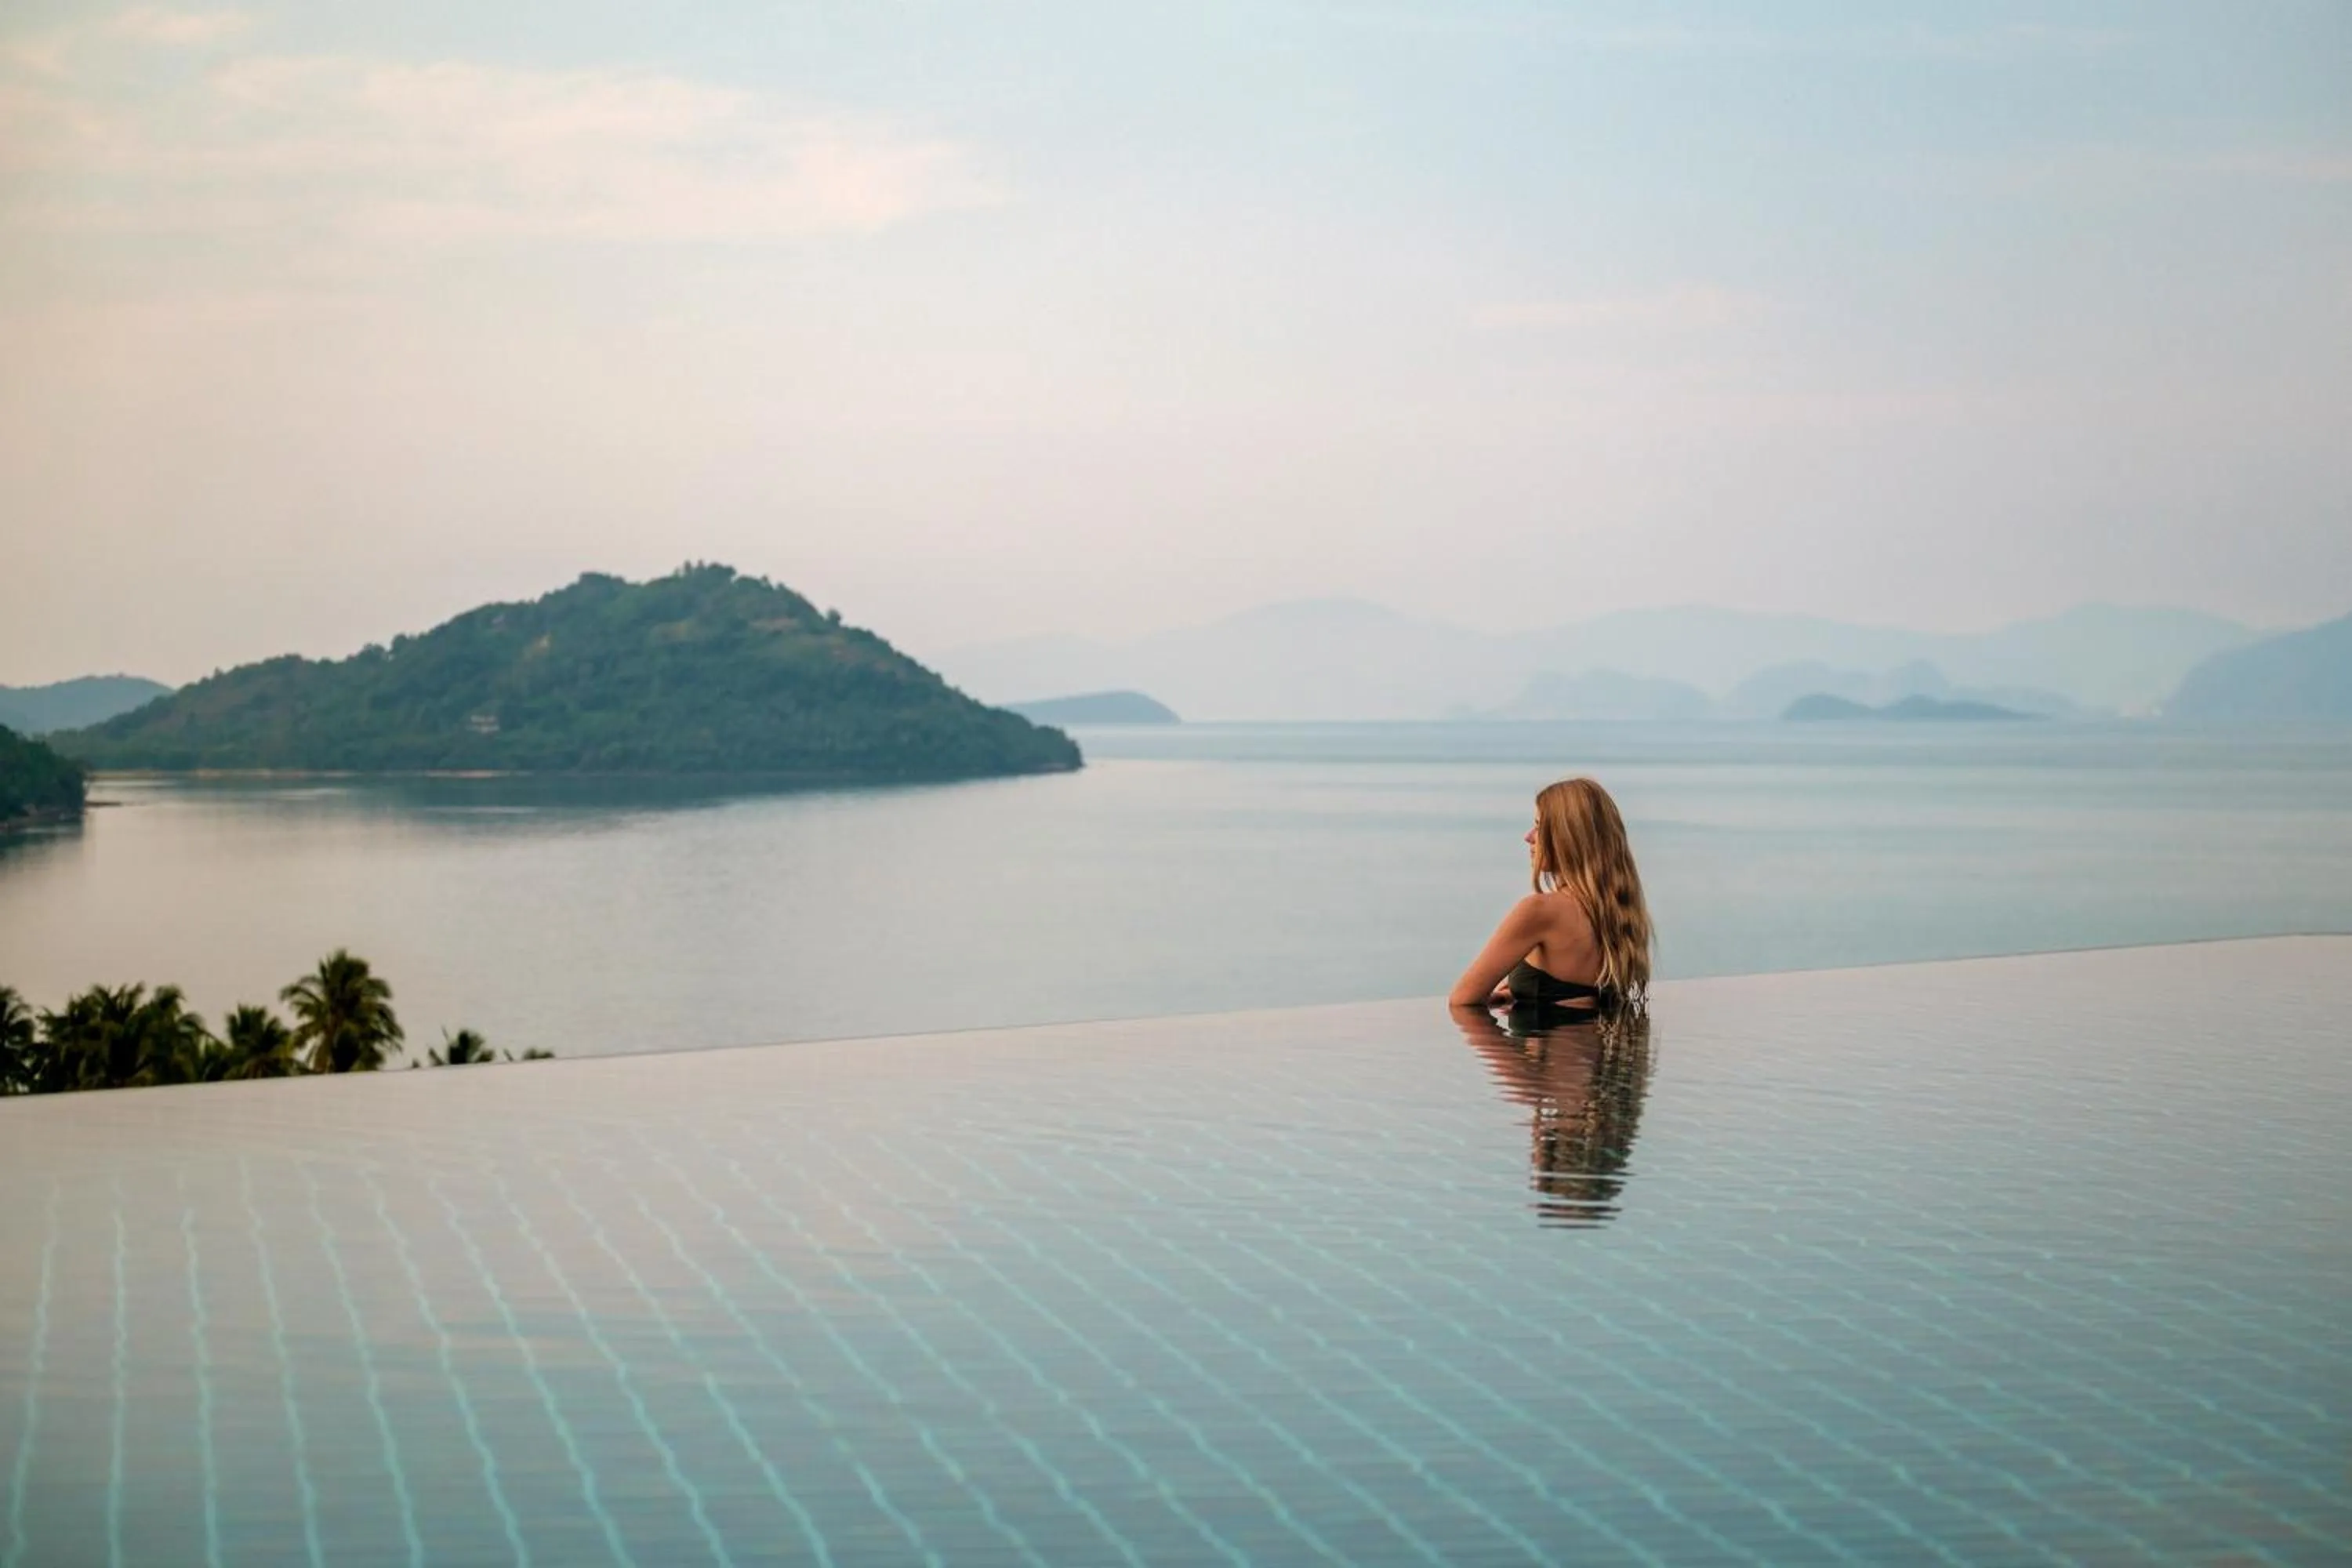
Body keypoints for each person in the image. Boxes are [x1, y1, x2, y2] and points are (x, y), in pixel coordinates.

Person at [1448, 776, 1653, 1014]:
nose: (1529, 837)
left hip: (1544, 1051)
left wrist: (1515, 1052)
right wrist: (1524, 993)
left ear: (1568, 838)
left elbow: (1462, 1000)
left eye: (1539, 826)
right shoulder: (1619, 915)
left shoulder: (1539, 911)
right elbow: (1577, 999)